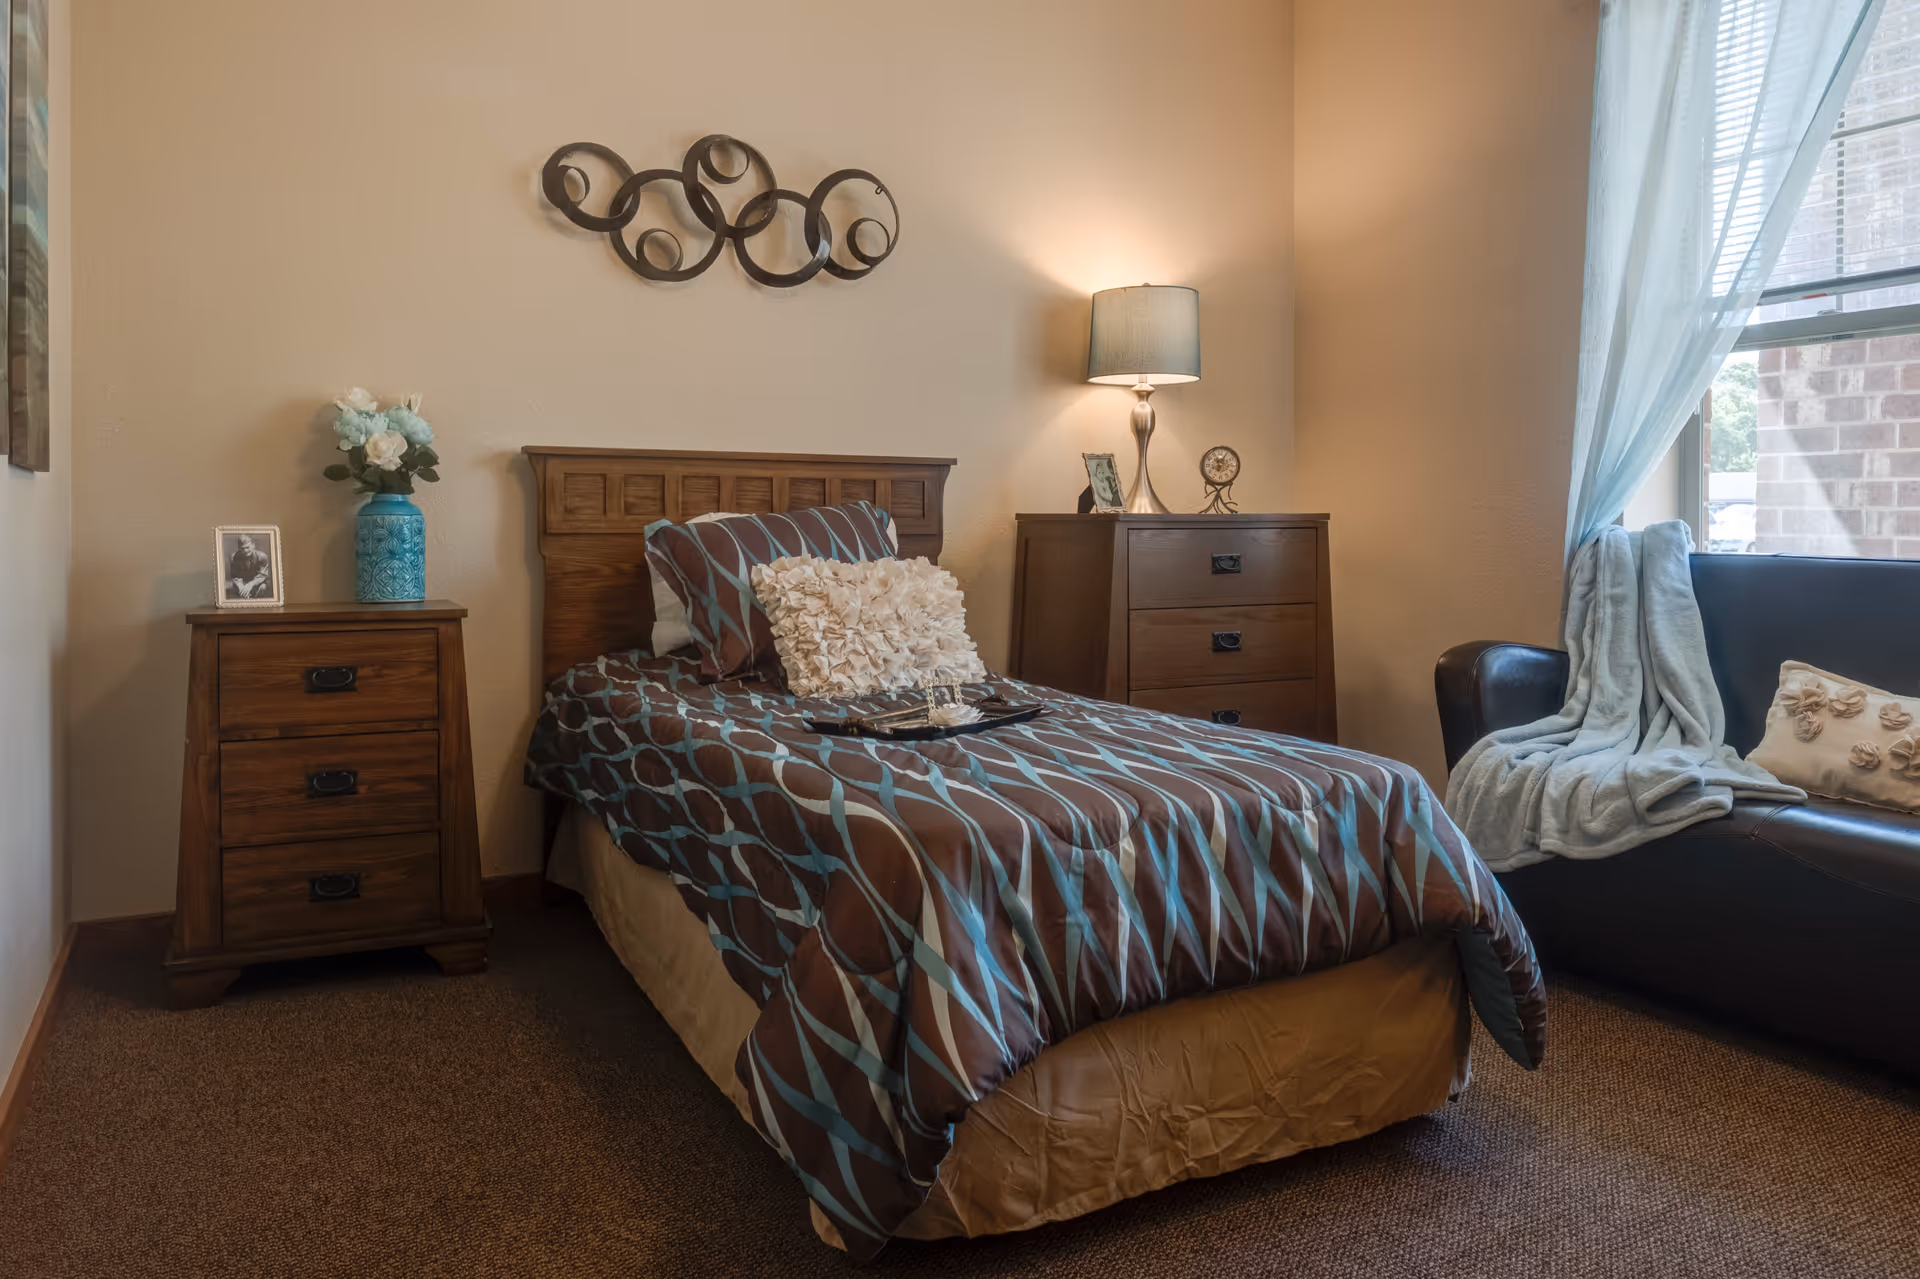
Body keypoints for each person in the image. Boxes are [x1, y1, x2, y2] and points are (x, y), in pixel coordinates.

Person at [226, 533, 272, 600]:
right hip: (242, 582)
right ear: (239, 548)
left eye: (247, 547)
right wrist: (241, 587)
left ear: (253, 545)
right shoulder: (234, 557)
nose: (245, 551)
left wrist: (250, 584)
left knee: (263, 588)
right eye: (242, 548)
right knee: (239, 593)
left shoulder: (262, 557)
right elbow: (235, 575)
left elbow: (262, 575)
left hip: (257, 582)